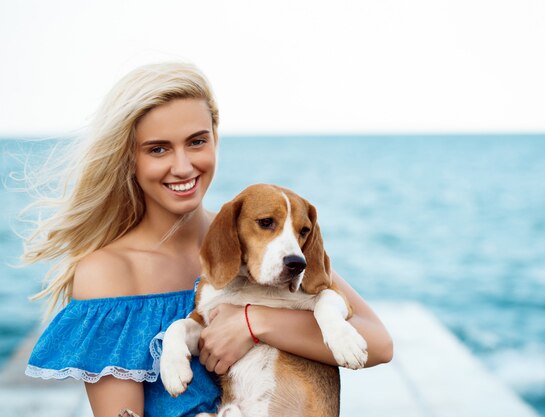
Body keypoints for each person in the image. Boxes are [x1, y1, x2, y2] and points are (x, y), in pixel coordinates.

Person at [22, 62, 394, 417]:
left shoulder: (256, 235)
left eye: (197, 142)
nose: (183, 166)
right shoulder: (108, 272)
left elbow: (378, 343)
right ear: (128, 158)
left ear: (215, 140)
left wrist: (253, 323)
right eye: (158, 148)